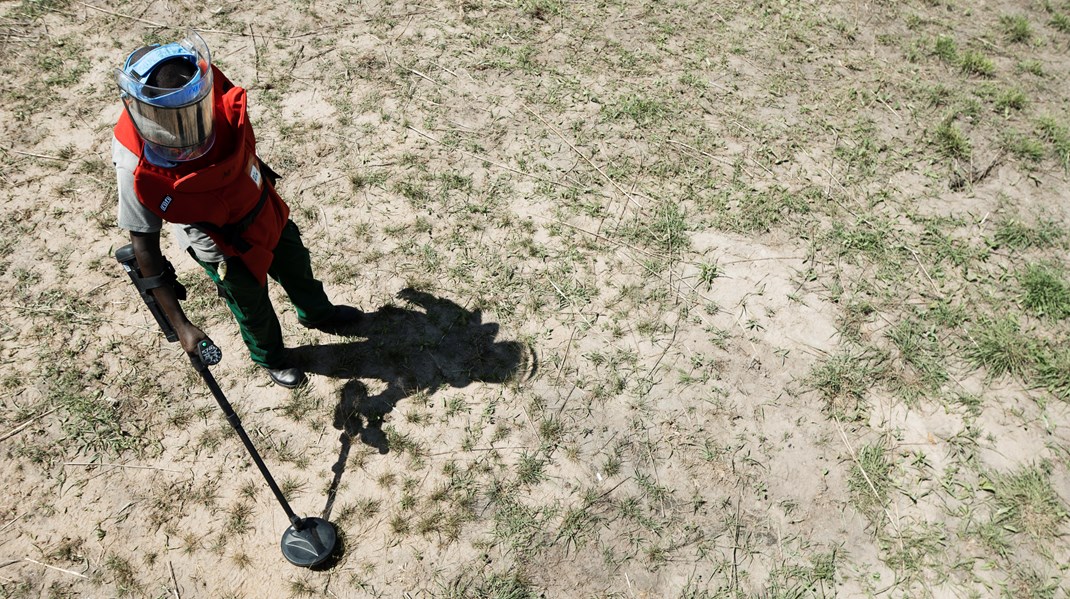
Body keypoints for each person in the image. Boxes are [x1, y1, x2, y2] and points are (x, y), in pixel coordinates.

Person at [112, 31, 360, 388]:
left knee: (295, 265)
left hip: (262, 204)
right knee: (250, 304)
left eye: (193, 113)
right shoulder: (135, 162)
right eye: (173, 121)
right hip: (221, 243)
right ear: (144, 111)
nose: (190, 129)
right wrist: (182, 327)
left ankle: (317, 313)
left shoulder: (208, 92)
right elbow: (144, 246)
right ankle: (271, 356)